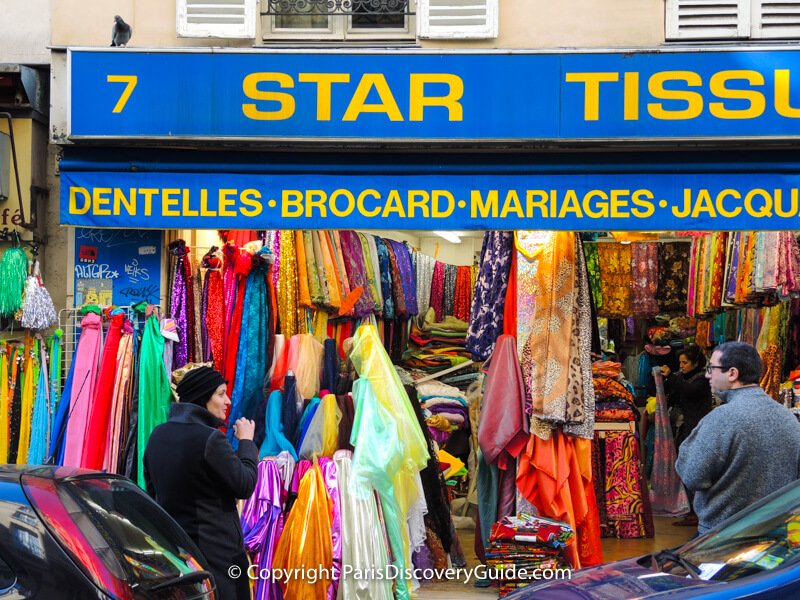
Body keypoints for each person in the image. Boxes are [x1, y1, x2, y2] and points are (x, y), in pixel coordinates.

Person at [144, 366, 257, 600]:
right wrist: (246, 442)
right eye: (221, 393)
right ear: (203, 396)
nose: (227, 400)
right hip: (218, 556)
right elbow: (245, 484)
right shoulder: (210, 438)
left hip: (179, 555)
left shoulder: (158, 435)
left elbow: (153, 493)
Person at [676, 341, 800, 535]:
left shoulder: (721, 419)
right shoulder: (788, 418)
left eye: (712, 368)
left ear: (732, 374)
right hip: (774, 537)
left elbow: (693, 476)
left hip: (723, 537)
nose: (708, 375)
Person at [660, 344, 712, 450]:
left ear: (696, 363)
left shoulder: (702, 379)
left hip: (694, 427)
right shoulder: (680, 376)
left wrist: (670, 377)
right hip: (680, 427)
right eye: (680, 362)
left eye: (685, 363)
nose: (681, 366)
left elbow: (689, 390)